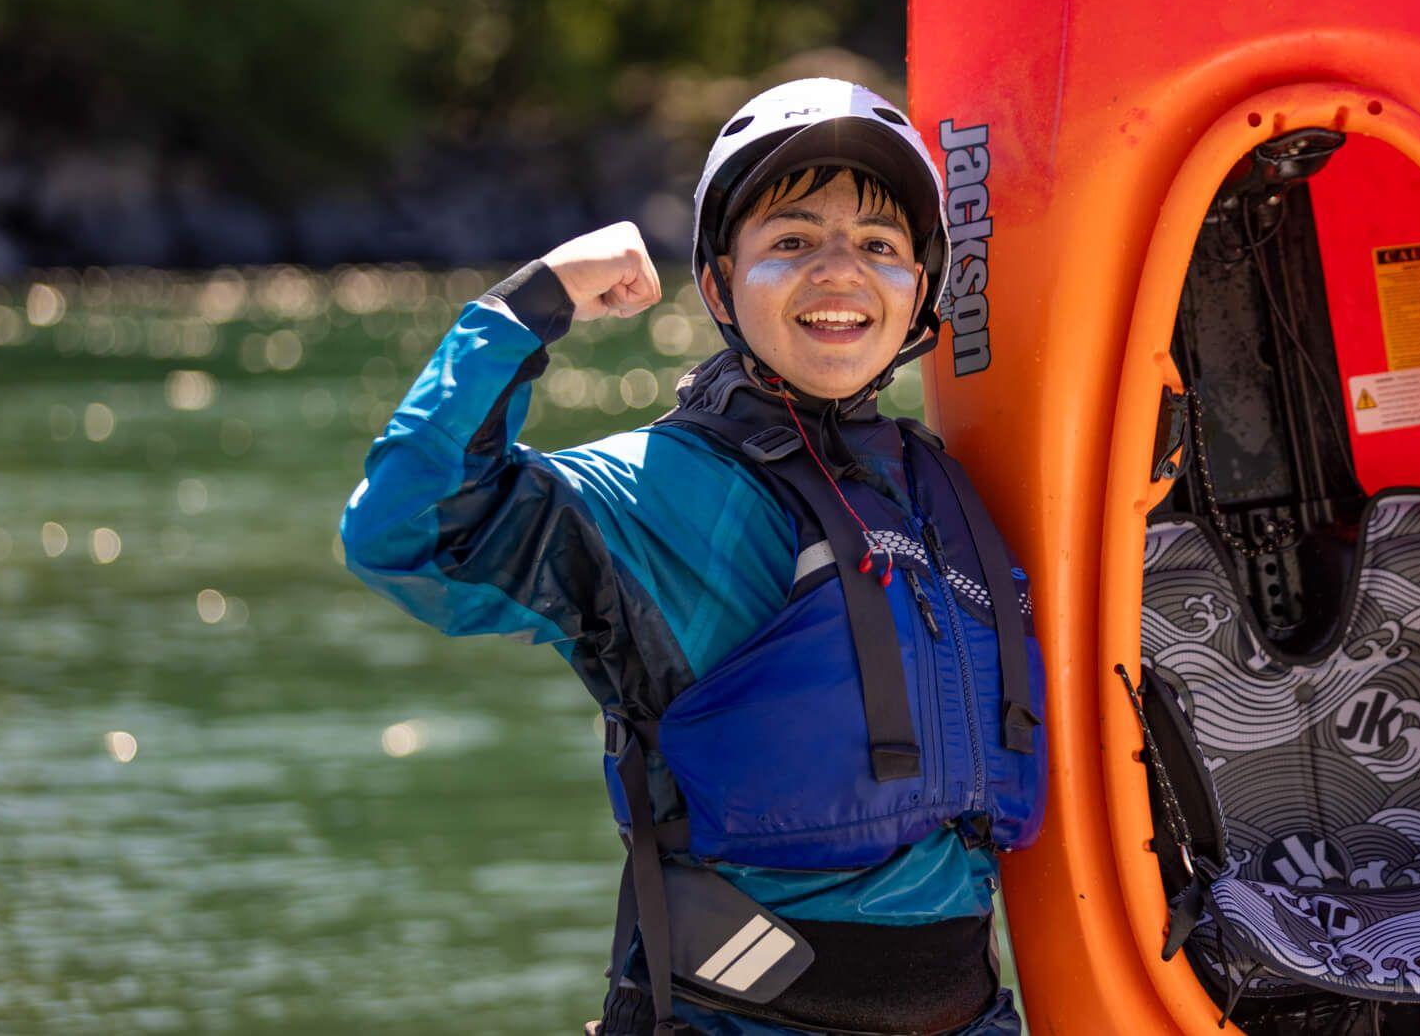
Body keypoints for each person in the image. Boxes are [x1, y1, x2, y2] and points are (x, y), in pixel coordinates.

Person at [339, 78, 1045, 1036]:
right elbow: (408, 529)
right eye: (791, 242)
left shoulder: (945, 490)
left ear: (920, 289)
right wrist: (530, 305)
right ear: (717, 285)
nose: (841, 272)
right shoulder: (668, 494)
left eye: (879, 247)